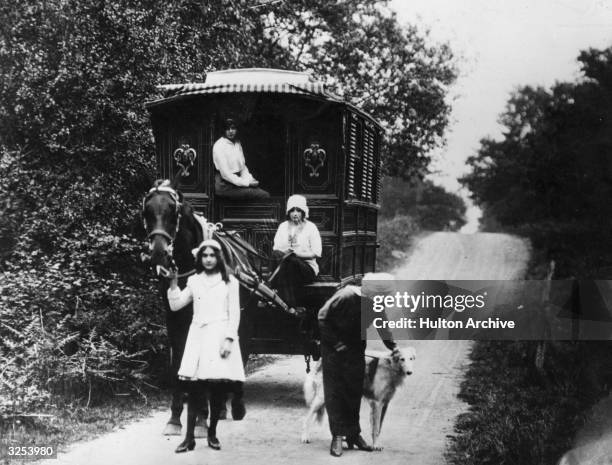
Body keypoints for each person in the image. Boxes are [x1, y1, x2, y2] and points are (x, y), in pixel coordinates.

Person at [167, 239, 246, 453]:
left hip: (219, 336)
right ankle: (189, 438)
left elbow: (234, 314)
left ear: (218, 257)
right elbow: (176, 305)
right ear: (199, 258)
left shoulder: (229, 281)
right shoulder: (194, 280)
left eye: (212, 255)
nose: (209, 259)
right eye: (205, 256)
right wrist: (174, 284)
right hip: (199, 337)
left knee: (217, 389)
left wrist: (229, 339)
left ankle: (212, 434)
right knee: (195, 390)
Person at [317, 272, 398, 457]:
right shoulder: (345, 296)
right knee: (335, 392)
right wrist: (336, 343)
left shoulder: (374, 304)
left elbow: (382, 326)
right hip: (334, 351)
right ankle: (337, 436)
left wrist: (394, 347)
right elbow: (322, 317)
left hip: (355, 350)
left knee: (353, 391)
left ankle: (353, 435)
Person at [271, 194, 322, 307]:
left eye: (298, 210)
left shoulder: (311, 227)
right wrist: (286, 252)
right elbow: (276, 249)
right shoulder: (283, 226)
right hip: (286, 265)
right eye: (292, 210)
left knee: (291, 261)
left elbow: (316, 253)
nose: (295, 213)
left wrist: (296, 254)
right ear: (288, 212)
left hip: (306, 268)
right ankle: (288, 305)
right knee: (278, 256)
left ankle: (286, 304)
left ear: (304, 212)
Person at [212, 118, 270, 199]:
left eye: (233, 128)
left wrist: (250, 179)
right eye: (227, 129)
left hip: (237, 182)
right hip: (225, 185)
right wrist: (247, 183)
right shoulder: (219, 145)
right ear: (223, 130)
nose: (231, 131)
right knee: (263, 195)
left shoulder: (237, 143)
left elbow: (242, 167)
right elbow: (226, 175)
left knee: (261, 192)